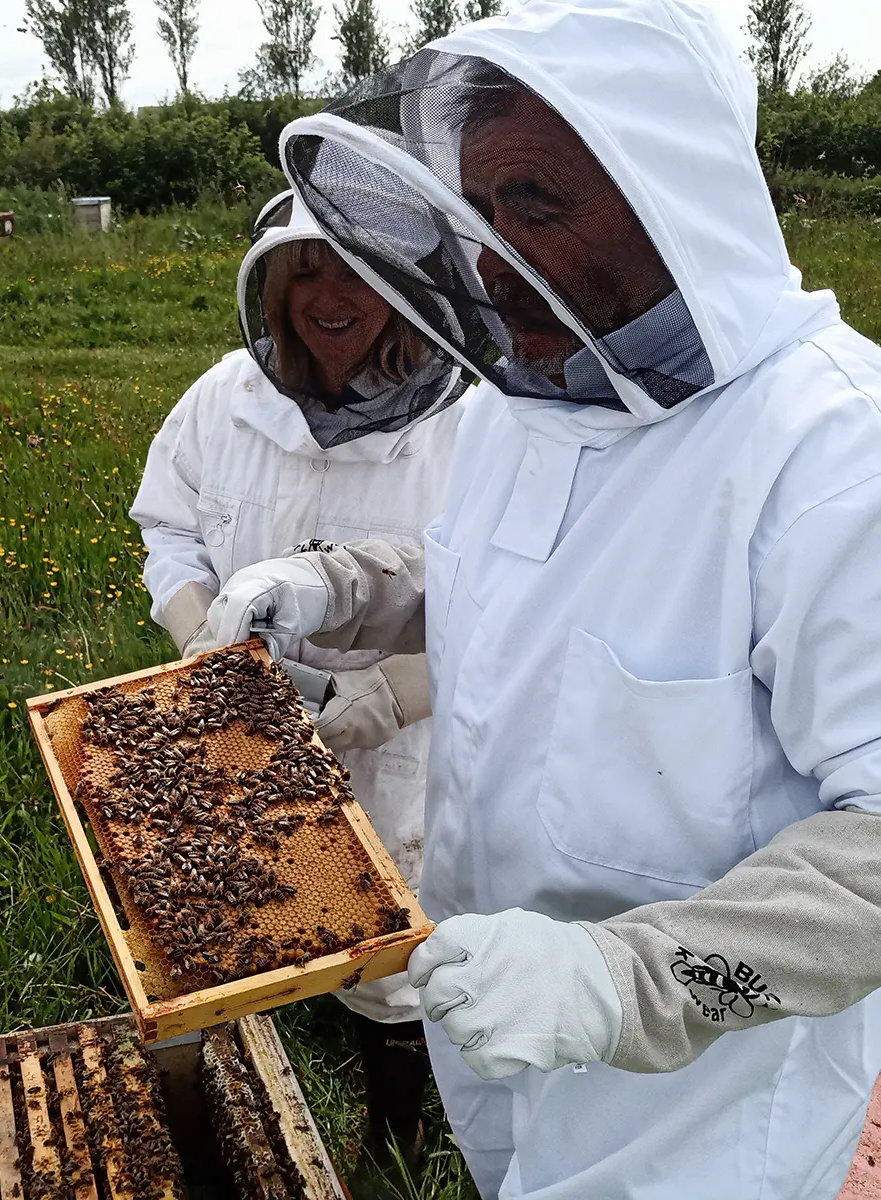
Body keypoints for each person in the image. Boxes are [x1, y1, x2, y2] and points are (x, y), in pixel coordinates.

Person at [201, 1, 881, 1197]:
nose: (484, 256)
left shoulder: (836, 457)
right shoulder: (533, 396)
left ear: (672, 190)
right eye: (475, 208)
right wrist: (331, 587)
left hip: (702, 1111)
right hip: (493, 1025)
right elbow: (490, 578)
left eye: (534, 205)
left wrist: (629, 982)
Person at [129, 192, 472, 1179]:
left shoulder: (476, 421)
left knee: (391, 937)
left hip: (409, 737)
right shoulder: (223, 399)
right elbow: (170, 525)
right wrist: (200, 634)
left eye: (359, 269)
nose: (333, 295)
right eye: (306, 270)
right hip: (240, 715)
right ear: (270, 286)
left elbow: (522, 596)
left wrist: (400, 692)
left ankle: (401, 1129)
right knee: (239, 901)